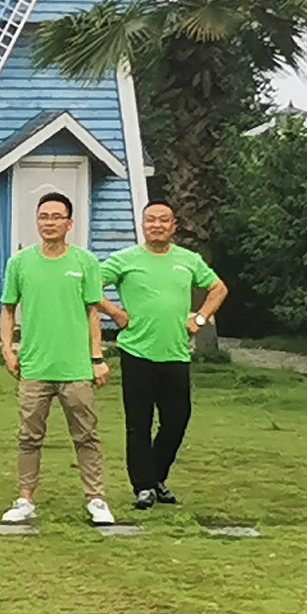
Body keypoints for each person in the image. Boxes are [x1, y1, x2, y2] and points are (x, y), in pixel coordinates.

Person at [96, 201, 225, 509]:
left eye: (163, 220)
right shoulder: (125, 259)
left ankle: (157, 477)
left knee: (177, 420)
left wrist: (200, 318)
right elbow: (90, 286)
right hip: (136, 352)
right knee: (139, 423)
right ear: (143, 225)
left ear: (173, 226)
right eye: (151, 220)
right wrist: (115, 313)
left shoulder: (188, 260)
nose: (157, 225)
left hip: (175, 354)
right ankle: (144, 486)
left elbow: (218, 288)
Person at [0, 191, 114, 526]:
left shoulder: (85, 262)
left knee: (86, 435)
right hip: (35, 366)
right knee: (29, 437)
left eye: (56, 217)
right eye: (44, 217)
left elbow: (93, 312)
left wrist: (97, 357)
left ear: (69, 223)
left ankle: (96, 499)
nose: (49, 223)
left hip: (76, 367)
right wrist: (8, 348)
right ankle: (25, 499)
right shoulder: (20, 263)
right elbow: (8, 309)